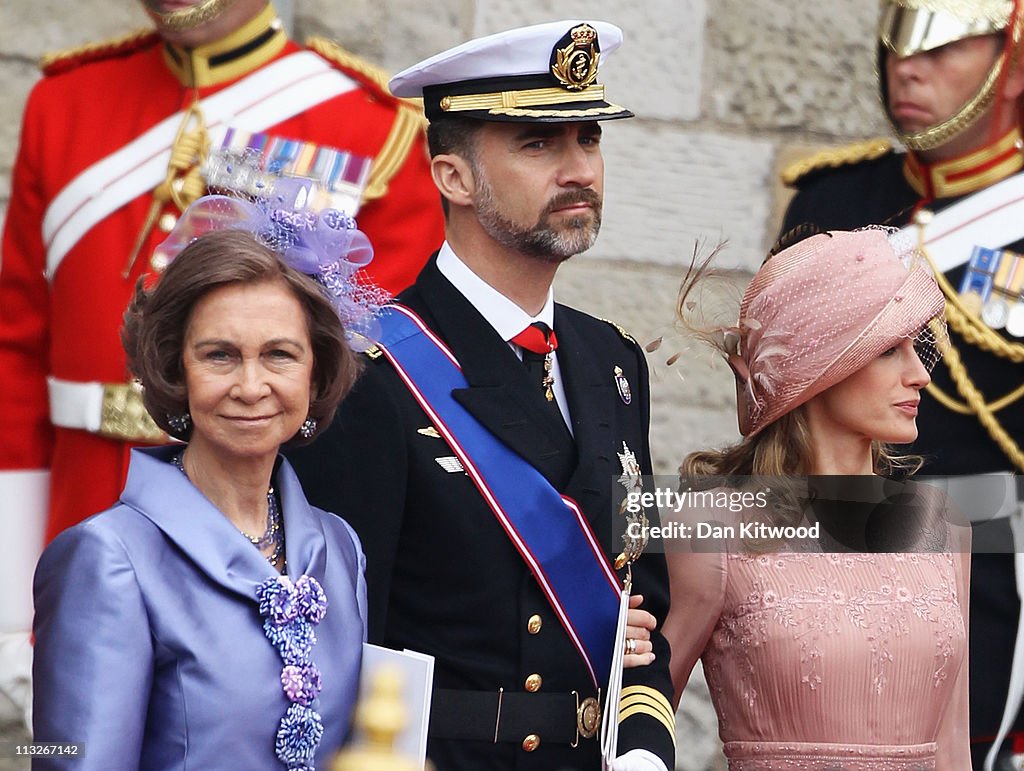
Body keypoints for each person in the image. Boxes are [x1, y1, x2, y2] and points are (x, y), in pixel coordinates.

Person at [0, 0, 445, 719]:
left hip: (259, 552)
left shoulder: (371, 126)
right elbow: (15, 358)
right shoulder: (65, 102)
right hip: (76, 523)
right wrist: (7, 606)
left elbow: (365, 405)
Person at [287, 20, 677, 771]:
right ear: (452, 177)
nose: (579, 170)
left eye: (588, 139)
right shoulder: (370, 370)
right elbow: (333, 639)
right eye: (539, 144)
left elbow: (640, 607)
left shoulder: (612, 360)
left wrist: (643, 756)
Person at [32, 196, 371, 768]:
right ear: (173, 368)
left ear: (318, 372)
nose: (250, 385)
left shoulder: (339, 547)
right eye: (219, 355)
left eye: (280, 355)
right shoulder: (106, 556)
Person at [779, 2, 1024, 766]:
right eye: (895, 48)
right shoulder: (832, 202)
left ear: (1012, 67)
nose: (905, 68)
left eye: (942, 50)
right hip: (833, 570)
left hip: (990, 594)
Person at [661, 228, 971, 769]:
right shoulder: (712, 527)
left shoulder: (943, 526)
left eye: (914, 348)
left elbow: (952, 745)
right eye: (888, 350)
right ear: (818, 366)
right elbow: (639, 716)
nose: (920, 375)